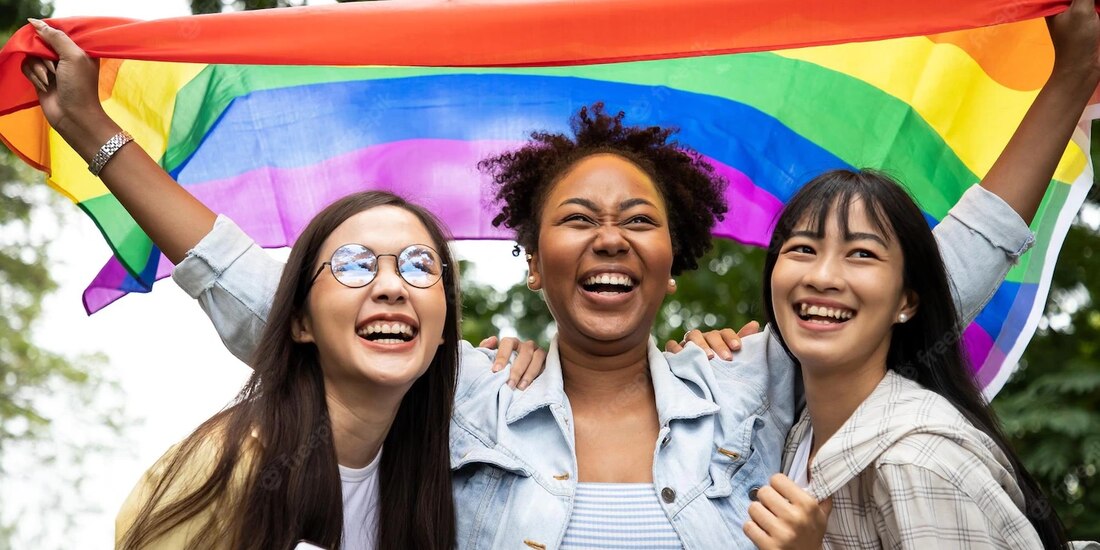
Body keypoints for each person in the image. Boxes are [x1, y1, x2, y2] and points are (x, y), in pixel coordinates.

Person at [21, 7, 1068, 547]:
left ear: (673, 261)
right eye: (576, 219)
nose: (607, 239)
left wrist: (1068, 81)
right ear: (532, 258)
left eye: (635, 222)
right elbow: (266, 292)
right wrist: (94, 130)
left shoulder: (761, 385)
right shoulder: (463, 390)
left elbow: (948, 266)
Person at [20, 19, 540, 550]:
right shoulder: (222, 476)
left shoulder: (436, 478)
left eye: (419, 265)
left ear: (444, 327)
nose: (392, 286)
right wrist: (86, 122)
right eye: (355, 265)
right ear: (297, 322)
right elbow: (223, 264)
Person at [682, 1, 1100, 547]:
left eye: (861, 255)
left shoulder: (917, 462)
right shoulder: (794, 420)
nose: (823, 276)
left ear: (908, 301)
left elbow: (976, 245)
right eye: (803, 249)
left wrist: (1073, 74)